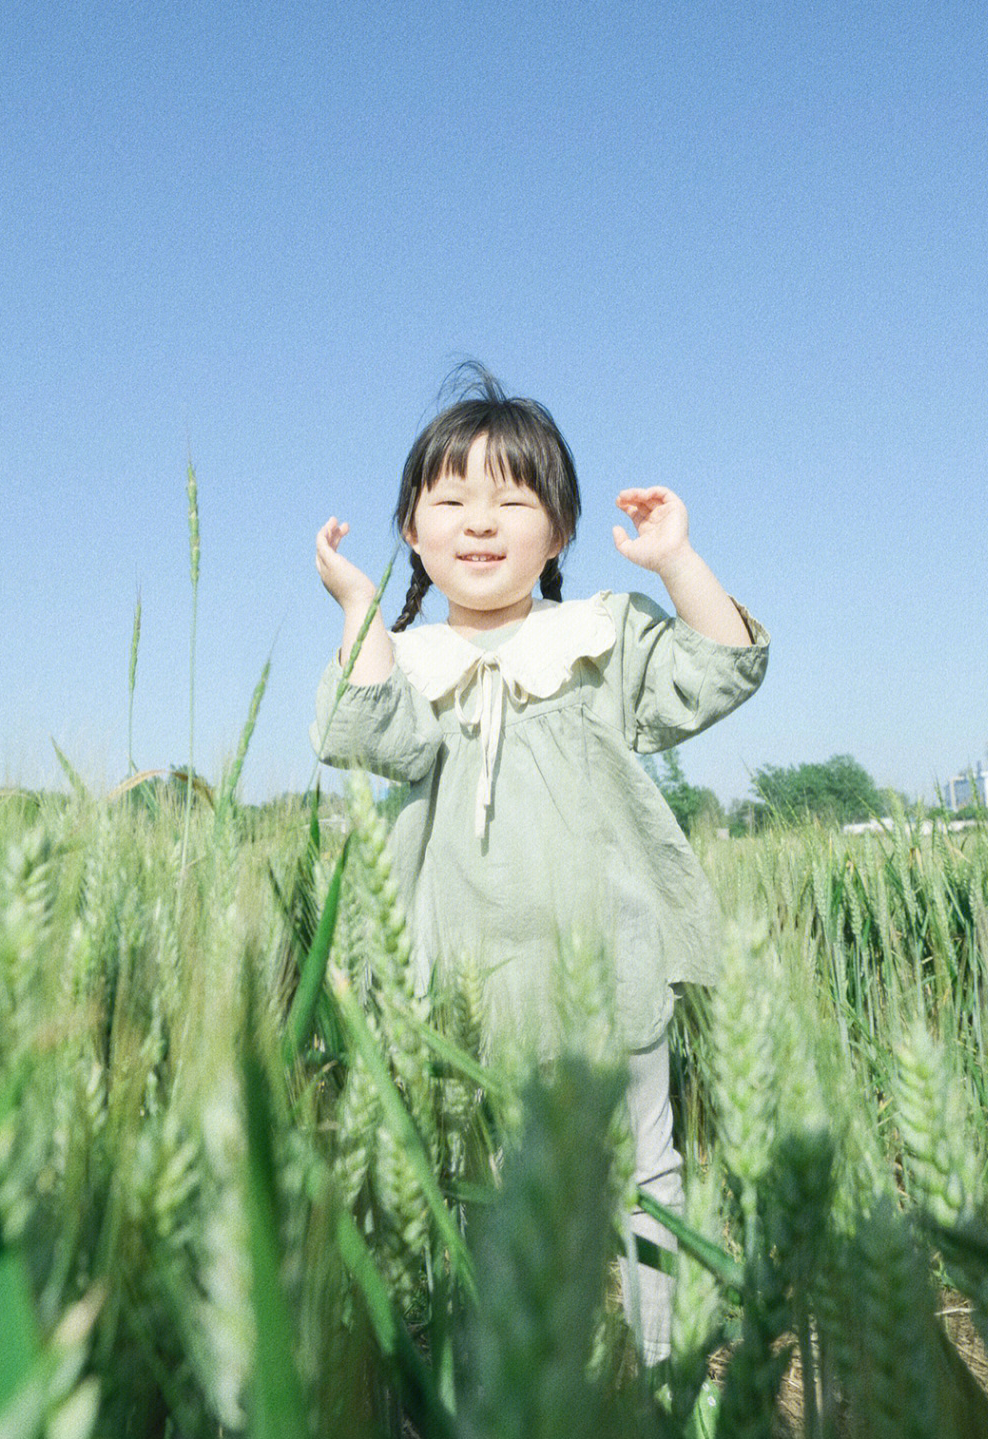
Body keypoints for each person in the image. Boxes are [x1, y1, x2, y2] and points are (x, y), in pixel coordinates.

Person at [311, 365, 769, 1363]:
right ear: (414, 531)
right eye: (451, 499)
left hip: (614, 962)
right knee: (478, 1187)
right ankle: (508, 1383)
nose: (482, 520)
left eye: (514, 498)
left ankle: (665, 1371)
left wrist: (677, 561)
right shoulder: (413, 658)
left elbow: (724, 667)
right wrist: (358, 605)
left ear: (557, 532)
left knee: (647, 1172)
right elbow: (360, 734)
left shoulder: (599, 635)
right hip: (461, 985)